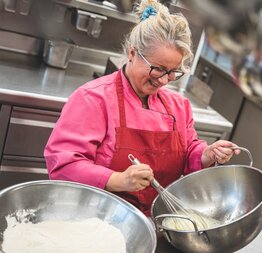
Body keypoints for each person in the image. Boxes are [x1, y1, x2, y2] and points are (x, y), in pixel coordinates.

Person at [44, 0, 240, 216]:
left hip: (157, 222)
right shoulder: (93, 99)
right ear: (132, 53)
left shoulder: (178, 106)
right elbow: (63, 165)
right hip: (96, 219)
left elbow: (189, 150)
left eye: (174, 72)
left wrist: (206, 154)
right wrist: (118, 180)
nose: (165, 80)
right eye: (159, 69)